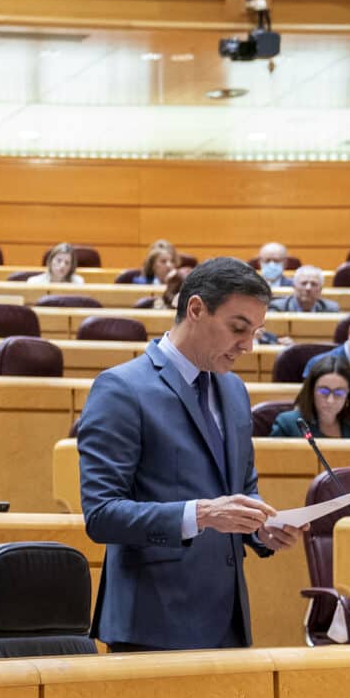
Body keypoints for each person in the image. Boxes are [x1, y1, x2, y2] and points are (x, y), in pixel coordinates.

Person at [79, 257, 300, 651]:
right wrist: (202, 514)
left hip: (228, 619)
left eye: (256, 332)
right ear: (195, 309)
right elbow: (102, 515)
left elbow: (242, 488)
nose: (248, 346)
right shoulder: (121, 389)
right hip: (152, 622)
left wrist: (262, 527)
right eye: (238, 328)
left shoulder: (234, 391)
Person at [268, 357, 350, 439]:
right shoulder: (288, 424)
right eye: (324, 391)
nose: (330, 400)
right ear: (311, 391)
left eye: (339, 393)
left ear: (349, 394)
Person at [267, 265, 339, 314]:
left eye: (313, 284)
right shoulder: (278, 308)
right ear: (294, 287)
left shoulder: (330, 309)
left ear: (320, 290)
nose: (308, 288)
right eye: (304, 283)